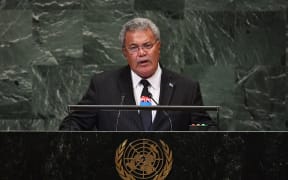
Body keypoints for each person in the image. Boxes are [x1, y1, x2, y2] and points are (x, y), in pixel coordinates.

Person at [59, 17, 212, 131]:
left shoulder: (186, 88)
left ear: (158, 47)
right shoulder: (103, 86)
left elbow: (203, 125)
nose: (141, 53)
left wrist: (202, 131)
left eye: (147, 45)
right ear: (125, 52)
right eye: (133, 47)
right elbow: (74, 123)